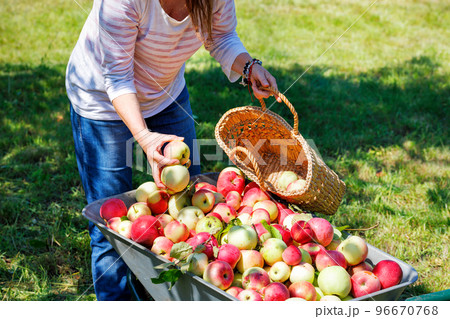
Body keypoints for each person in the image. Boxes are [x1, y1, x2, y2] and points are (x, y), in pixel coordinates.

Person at [66, 0, 280, 300]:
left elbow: (220, 36)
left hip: (165, 96)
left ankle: (173, 299)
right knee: (111, 228)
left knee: (189, 211)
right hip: (101, 103)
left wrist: (248, 66)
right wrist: (144, 137)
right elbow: (116, 77)